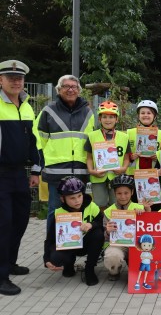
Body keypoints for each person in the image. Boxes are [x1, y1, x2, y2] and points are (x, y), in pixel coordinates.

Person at [0, 60, 40, 295]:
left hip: (19, 174)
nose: (16, 81)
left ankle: (10, 262)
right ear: (1, 80)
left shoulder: (26, 105)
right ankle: (1, 275)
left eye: (19, 78)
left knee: (20, 221)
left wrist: (36, 169)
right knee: (3, 224)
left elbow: (33, 140)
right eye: (10, 77)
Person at [35, 75, 95, 231]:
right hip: (56, 172)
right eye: (66, 86)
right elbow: (38, 141)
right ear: (59, 90)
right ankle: (51, 251)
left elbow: (93, 141)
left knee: (79, 211)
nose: (70, 89)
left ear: (79, 90)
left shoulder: (88, 113)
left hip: (81, 171)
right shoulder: (48, 111)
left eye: (74, 87)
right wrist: (41, 164)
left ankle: (74, 248)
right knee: (55, 211)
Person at [44, 176, 104, 286]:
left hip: (86, 243)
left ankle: (89, 269)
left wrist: (91, 224)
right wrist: (46, 259)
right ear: (63, 199)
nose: (77, 200)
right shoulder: (58, 213)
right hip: (69, 246)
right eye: (72, 198)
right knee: (55, 259)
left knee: (98, 234)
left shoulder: (92, 206)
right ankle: (69, 264)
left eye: (79, 196)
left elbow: (101, 223)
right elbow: (50, 239)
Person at [85, 101, 131, 209]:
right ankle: (101, 225)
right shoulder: (92, 136)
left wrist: (123, 168)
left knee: (117, 203)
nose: (108, 120)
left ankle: (114, 225)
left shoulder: (124, 137)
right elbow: (89, 157)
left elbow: (126, 157)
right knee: (99, 204)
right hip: (98, 176)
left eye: (111, 117)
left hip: (117, 176)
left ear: (117, 119)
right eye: (104, 117)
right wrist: (91, 171)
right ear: (99, 119)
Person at [103, 175, 149, 281]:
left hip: (138, 244)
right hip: (119, 245)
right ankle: (114, 271)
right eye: (119, 193)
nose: (123, 196)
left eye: (126, 193)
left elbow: (150, 229)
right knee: (112, 256)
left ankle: (133, 266)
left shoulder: (140, 208)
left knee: (144, 262)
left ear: (132, 192)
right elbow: (105, 237)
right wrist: (108, 231)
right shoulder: (108, 211)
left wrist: (145, 212)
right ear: (114, 193)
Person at [127, 100, 161, 177]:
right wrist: (131, 157)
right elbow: (123, 156)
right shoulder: (129, 133)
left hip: (155, 176)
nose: (145, 115)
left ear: (154, 116)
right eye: (142, 113)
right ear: (138, 116)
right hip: (133, 176)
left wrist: (158, 157)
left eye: (149, 113)